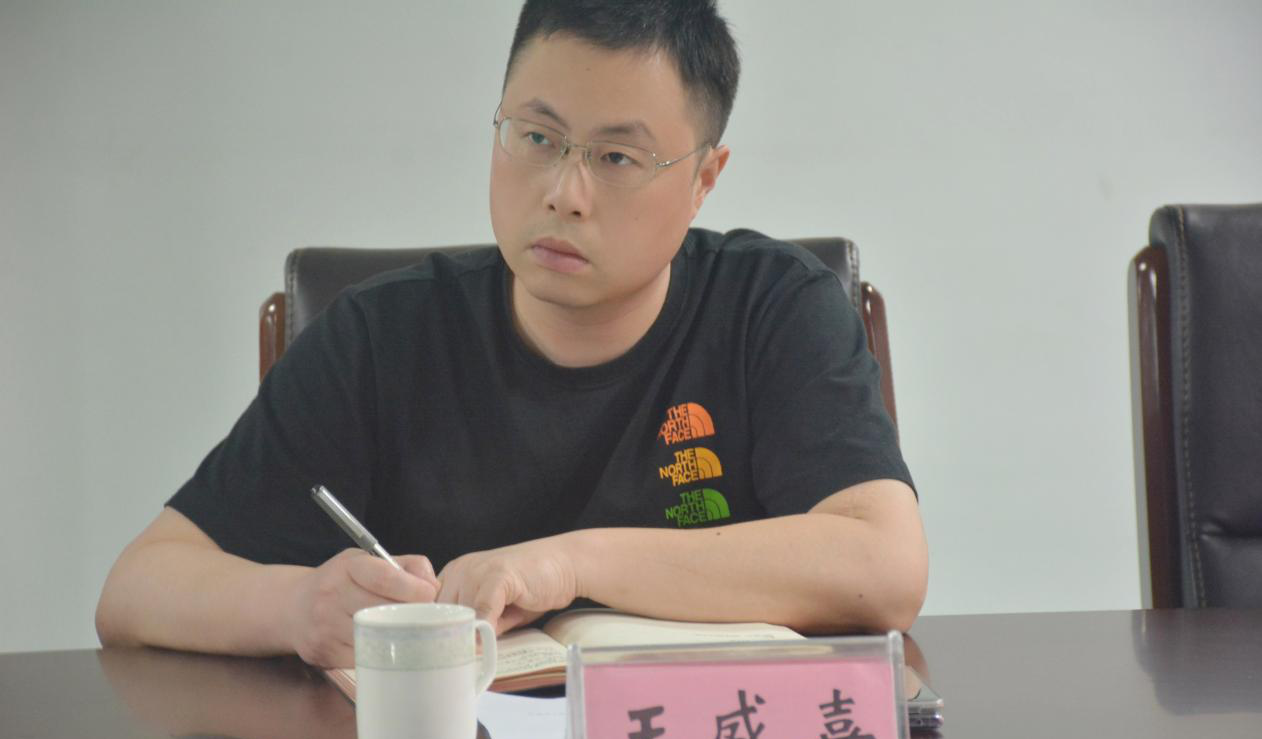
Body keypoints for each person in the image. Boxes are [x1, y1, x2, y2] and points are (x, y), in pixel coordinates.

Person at [96, 0, 928, 669]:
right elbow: (138, 588)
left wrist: (569, 564)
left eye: (616, 158)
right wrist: (298, 607)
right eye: (537, 138)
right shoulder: (381, 337)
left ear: (704, 179)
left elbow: (884, 568)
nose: (565, 192)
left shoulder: (770, 307)